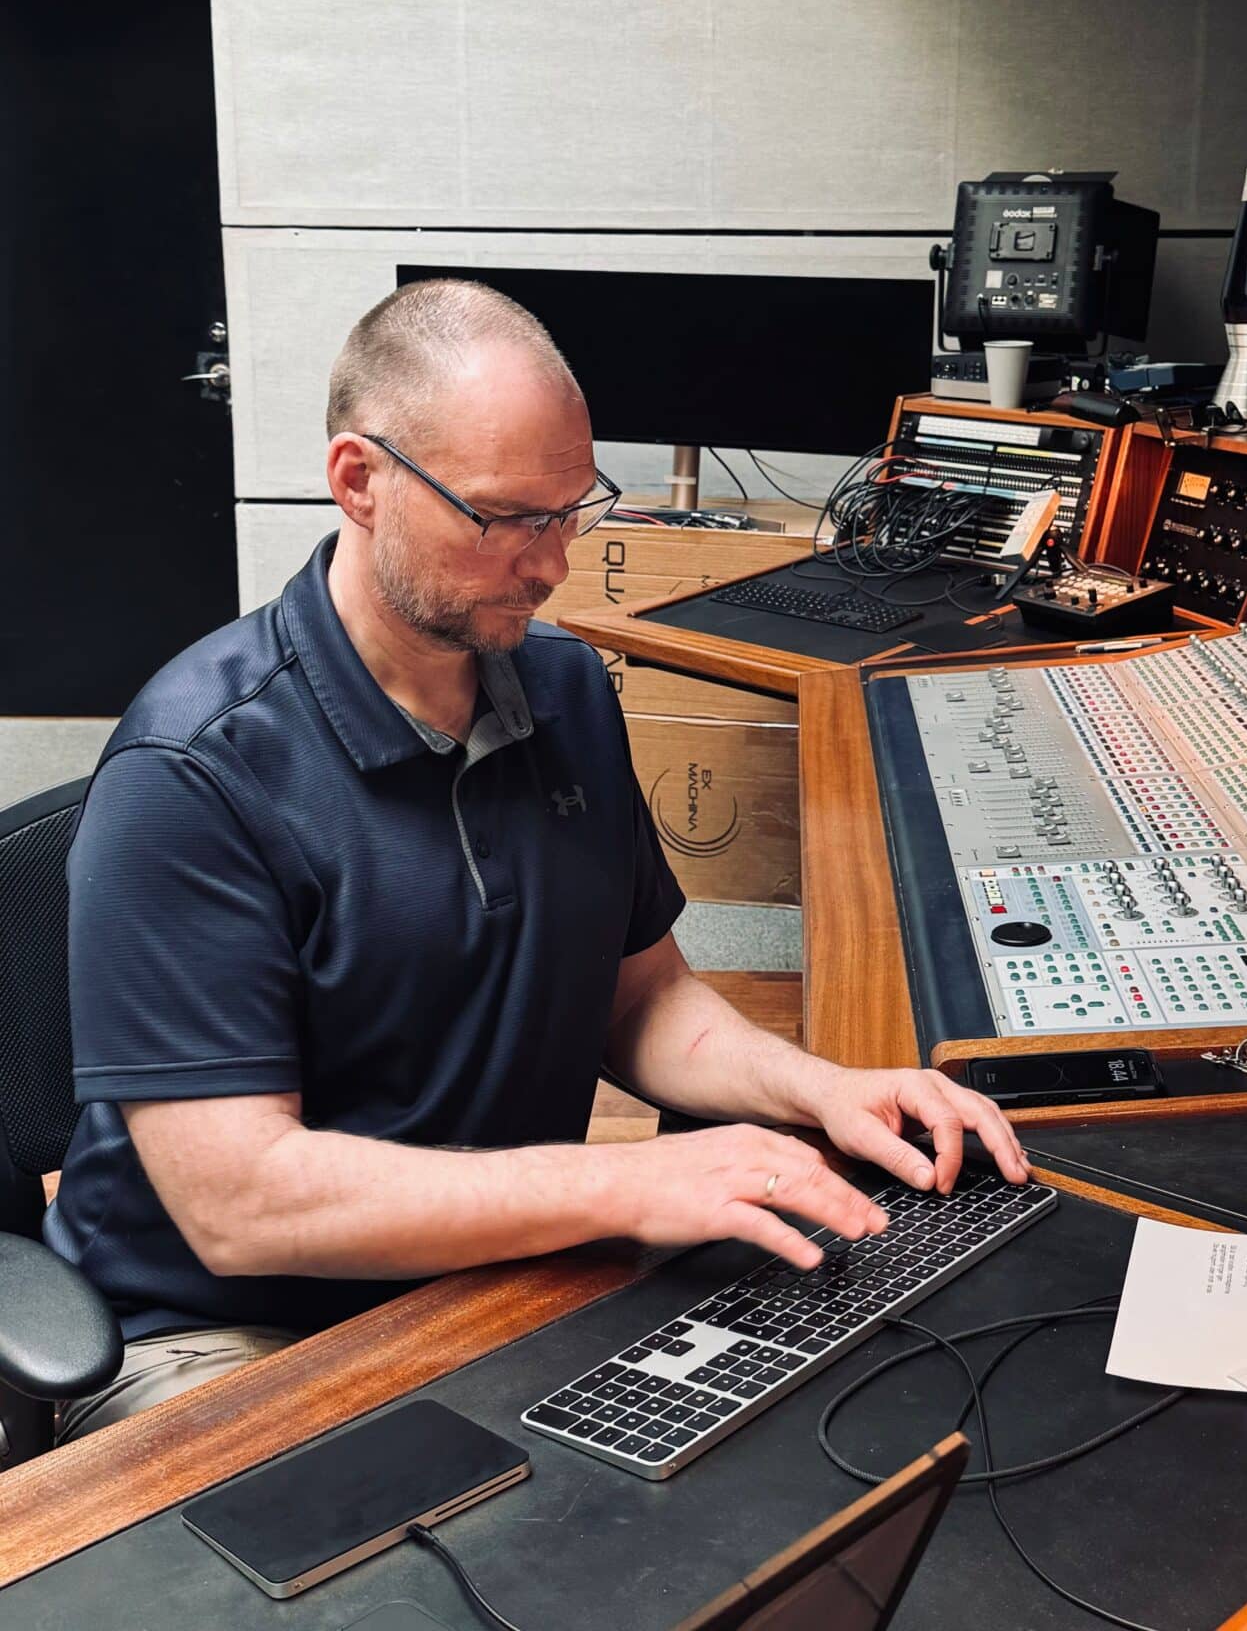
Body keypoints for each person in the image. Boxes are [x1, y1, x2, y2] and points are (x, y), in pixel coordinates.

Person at [45, 280, 1027, 1438]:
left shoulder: (563, 686)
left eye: (572, 509)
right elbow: (240, 1206)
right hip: (225, 1333)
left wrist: (825, 1088)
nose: (554, 561)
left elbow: (642, 1000)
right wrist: (624, 1182)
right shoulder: (191, 774)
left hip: (489, 1270)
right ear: (359, 481)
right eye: (508, 517)